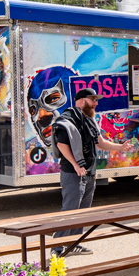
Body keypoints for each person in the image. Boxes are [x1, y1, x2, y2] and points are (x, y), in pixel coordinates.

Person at [52, 88, 129, 255]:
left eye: (96, 100)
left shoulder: (89, 120)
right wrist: (75, 165)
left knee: (83, 211)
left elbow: (100, 143)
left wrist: (120, 147)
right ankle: (57, 247)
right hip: (73, 173)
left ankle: (74, 244)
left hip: (88, 172)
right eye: (92, 99)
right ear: (81, 100)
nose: (96, 103)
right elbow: (61, 145)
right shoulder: (68, 119)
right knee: (70, 210)